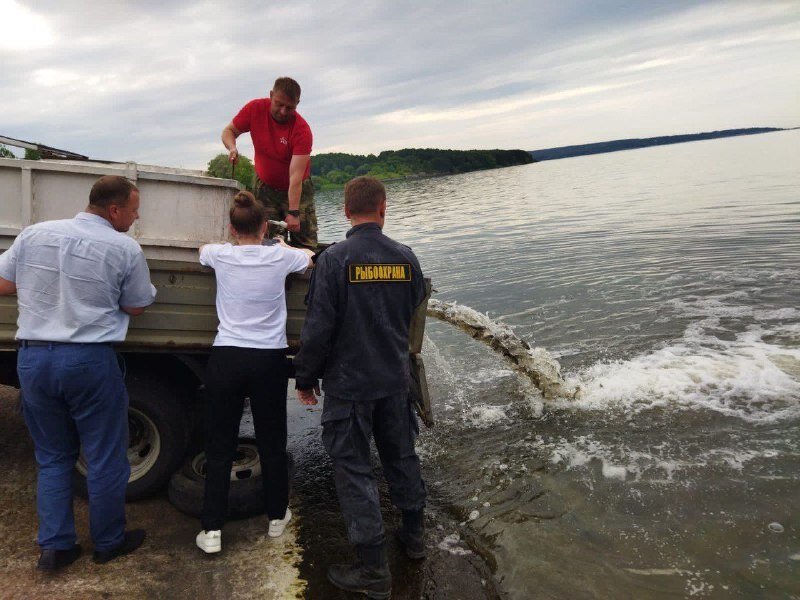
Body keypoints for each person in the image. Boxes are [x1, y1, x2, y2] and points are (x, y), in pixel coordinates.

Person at [0, 175, 156, 570]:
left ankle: (56, 548)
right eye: (133, 212)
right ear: (114, 209)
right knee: (104, 457)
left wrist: (43, 291)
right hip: (88, 360)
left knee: (52, 457)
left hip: (34, 359)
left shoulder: (34, 234)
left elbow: (3, 282)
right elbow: (137, 305)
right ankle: (108, 543)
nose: (135, 219)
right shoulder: (123, 248)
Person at [293, 176, 428, 599]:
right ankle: (414, 536)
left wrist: (305, 376)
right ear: (383, 208)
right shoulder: (405, 258)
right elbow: (413, 309)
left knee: (353, 469)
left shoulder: (334, 260)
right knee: (400, 455)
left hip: (350, 386)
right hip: (393, 381)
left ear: (346, 211)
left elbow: (318, 328)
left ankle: (372, 568)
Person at [195, 190, 313, 554]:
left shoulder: (220, 254)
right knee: (272, 441)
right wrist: (277, 244)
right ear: (265, 226)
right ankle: (277, 517)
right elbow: (309, 258)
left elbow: (202, 251)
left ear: (232, 228)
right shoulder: (280, 256)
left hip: (227, 356)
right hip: (267, 360)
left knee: (220, 444)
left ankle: (212, 530)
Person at [222, 76, 318, 249]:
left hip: (298, 191)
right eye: (279, 104)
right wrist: (232, 148)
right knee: (267, 243)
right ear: (271, 95)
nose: (283, 111)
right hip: (265, 189)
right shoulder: (254, 109)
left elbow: (295, 177)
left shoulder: (302, 131)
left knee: (306, 245)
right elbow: (229, 131)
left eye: (289, 108)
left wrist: (294, 213)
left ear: (297, 104)